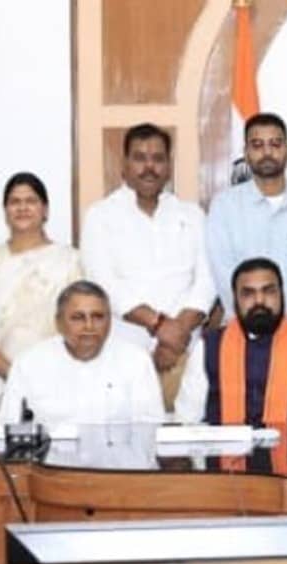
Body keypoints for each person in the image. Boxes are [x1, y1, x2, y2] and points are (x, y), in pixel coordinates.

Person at [80, 124, 216, 410]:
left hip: (184, 355)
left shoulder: (192, 215)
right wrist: (159, 325)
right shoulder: (100, 216)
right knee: (124, 436)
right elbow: (104, 284)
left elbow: (208, 280)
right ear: (124, 165)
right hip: (122, 357)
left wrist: (176, 335)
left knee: (185, 436)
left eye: (158, 158)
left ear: (169, 166)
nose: (149, 167)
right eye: (140, 158)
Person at [174, 258, 287, 474]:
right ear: (235, 300)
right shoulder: (208, 347)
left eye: (268, 291)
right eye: (248, 293)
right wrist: (206, 471)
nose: (259, 300)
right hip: (222, 481)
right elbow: (187, 418)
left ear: (281, 295)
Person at [206, 112, 287, 333]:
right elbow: (224, 275)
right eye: (257, 145)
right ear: (246, 153)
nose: (267, 153)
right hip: (243, 333)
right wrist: (248, 327)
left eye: (275, 144)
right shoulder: (225, 206)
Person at [0, 281, 163, 426]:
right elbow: (9, 430)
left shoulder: (136, 362)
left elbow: (150, 432)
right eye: (78, 317)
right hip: (48, 453)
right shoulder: (29, 364)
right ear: (58, 322)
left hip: (117, 453)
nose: (89, 326)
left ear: (110, 321)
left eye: (98, 317)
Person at [0, 173, 83, 407]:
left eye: (31, 201)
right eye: (15, 202)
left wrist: (38, 381)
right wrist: (13, 375)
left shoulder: (69, 261)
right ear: (5, 211)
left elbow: (77, 323)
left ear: (45, 210)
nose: (22, 208)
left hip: (54, 380)